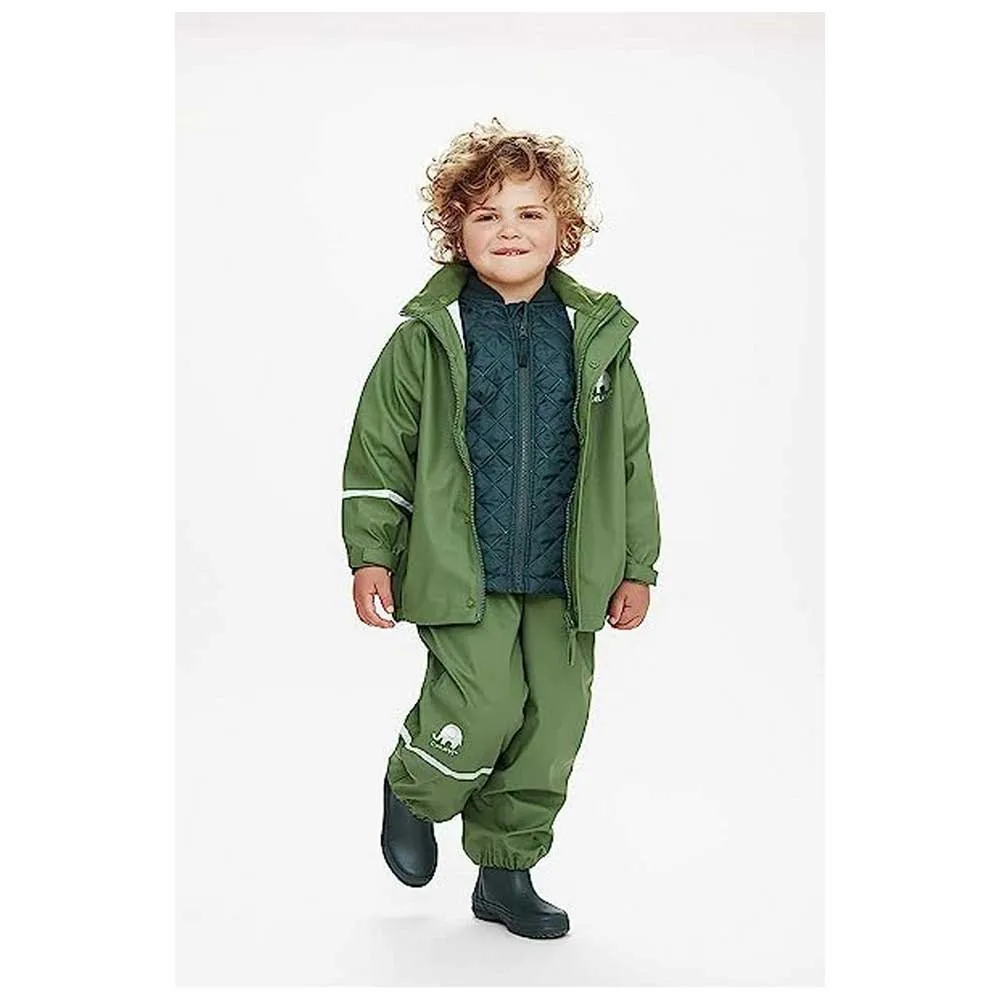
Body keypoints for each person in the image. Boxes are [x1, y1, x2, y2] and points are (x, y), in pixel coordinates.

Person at [341, 118, 660, 940]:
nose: (509, 230)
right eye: (487, 215)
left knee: (552, 725)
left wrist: (636, 565)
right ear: (457, 231)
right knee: (485, 704)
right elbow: (380, 449)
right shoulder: (427, 337)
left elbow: (629, 460)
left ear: (564, 228)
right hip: (461, 568)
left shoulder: (595, 339)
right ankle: (415, 786)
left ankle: (506, 872)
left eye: (529, 213)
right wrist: (372, 553)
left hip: (568, 572)